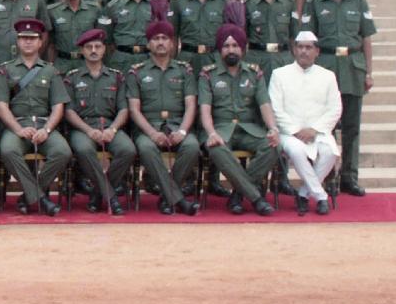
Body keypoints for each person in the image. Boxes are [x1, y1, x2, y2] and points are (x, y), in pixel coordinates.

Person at [305, 0, 375, 197]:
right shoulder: (314, 3)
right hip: (325, 67)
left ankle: (349, 177)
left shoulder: (359, 1)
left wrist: (369, 72)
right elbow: (307, 41)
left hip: (353, 68)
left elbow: (366, 38)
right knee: (325, 127)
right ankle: (326, 177)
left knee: (351, 127)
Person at [197, 23, 278, 216]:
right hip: (220, 129)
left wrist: (273, 128)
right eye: (226, 46)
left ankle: (238, 195)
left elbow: (264, 104)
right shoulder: (207, 74)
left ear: (243, 48)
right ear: (220, 49)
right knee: (216, 148)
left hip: (249, 129)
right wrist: (211, 133)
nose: (231, 50)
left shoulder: (254, 72)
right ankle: (256, 199)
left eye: (235, 45)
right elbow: (205, 109)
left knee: (274, 146)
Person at [0, 18, 71, 216]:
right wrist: (18, 130)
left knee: (63, 152)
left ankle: (29, 196)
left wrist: (47, 130)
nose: (28, 42)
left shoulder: (50, 71)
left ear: (40, 42)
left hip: (44, 125)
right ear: (18, 41)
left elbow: (58, 106)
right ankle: (40, 198)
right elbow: (1, 106)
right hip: (17, 126)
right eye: (23, 38)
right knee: (8, 150)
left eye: (32, 38)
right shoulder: (6, 70)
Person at [126, 17, 201, 216]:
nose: (160, 42)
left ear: (173, 43)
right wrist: (152, 133)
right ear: (148, 44)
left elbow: (191, 105)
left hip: (177, 124)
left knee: (192, 146)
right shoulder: (136, 72)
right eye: (156, 38)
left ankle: (167, 197)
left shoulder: (184, 70)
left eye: (165, 38)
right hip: (148, 127)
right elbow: (134, 109)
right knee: (146, 148)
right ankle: (178, 200)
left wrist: (183, 131)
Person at [270, 31, 342, 216]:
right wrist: (295, 131)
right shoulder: (279, 74)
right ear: (294, 50)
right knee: (297, 151)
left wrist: (314, 130)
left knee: (330, 152)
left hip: (318, 132)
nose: (304, 51)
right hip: (289, 133)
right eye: (300, 47)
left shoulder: (328, 76)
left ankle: (303, 194)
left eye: (308, 47)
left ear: (317, 51)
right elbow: (275, 109)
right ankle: (321, 197)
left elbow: (335, 109)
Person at [63, 29, 132, 215]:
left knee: (127, 150)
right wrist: (88, 130)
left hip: (110, 125)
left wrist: (113, 129)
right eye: (89, 47)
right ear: (82, 51)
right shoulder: (72, 77)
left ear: (104, 49)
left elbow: (124, 109)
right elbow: (69, 111)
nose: (93, 50)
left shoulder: (116, 76)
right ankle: (111, 197)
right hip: (83, 127)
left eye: (97, 46)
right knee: (84, 150)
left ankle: (97, 194)